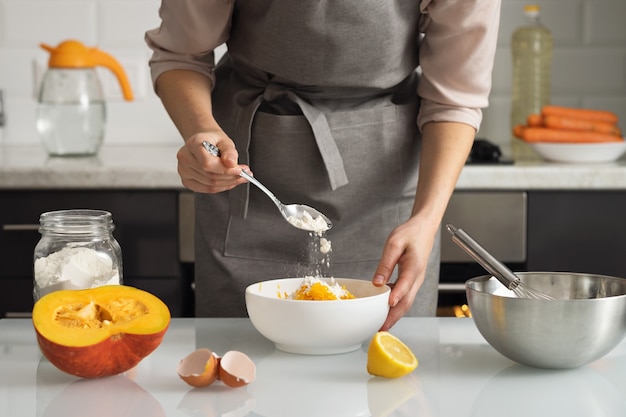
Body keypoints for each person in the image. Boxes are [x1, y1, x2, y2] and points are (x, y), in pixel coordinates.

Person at [146, 0, 501, 330]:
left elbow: (454, 98)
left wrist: (425, 220)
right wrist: (201, 131)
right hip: (248, 175)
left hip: (389, 196)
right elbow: (181, 55)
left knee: (390, 385)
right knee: (238, 373)